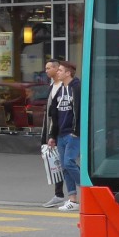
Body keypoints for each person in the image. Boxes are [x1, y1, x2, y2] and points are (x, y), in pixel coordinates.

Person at [47, 60, 81, 212]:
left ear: (68, 73)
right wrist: (52, 135)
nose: (57, 72)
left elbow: (80, 111)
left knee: (69, 162)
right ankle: (73, 199)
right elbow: (54, 114)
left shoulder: (76, 88)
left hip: (73, 134)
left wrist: (76, 131)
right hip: (60, 134)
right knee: (65, 168)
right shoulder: (60, 89)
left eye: (60, 70)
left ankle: (89, 192)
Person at [40, 59, 66, 207]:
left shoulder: (64, 86)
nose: (46, 70)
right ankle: (58, 194)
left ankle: (67, 194)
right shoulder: (52, 86)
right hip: (50, 129)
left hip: (60, 130)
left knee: (65, 162)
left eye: (49, 68)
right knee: (54, 162)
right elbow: (48, 113)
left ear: (57, 69)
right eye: (46, 68)